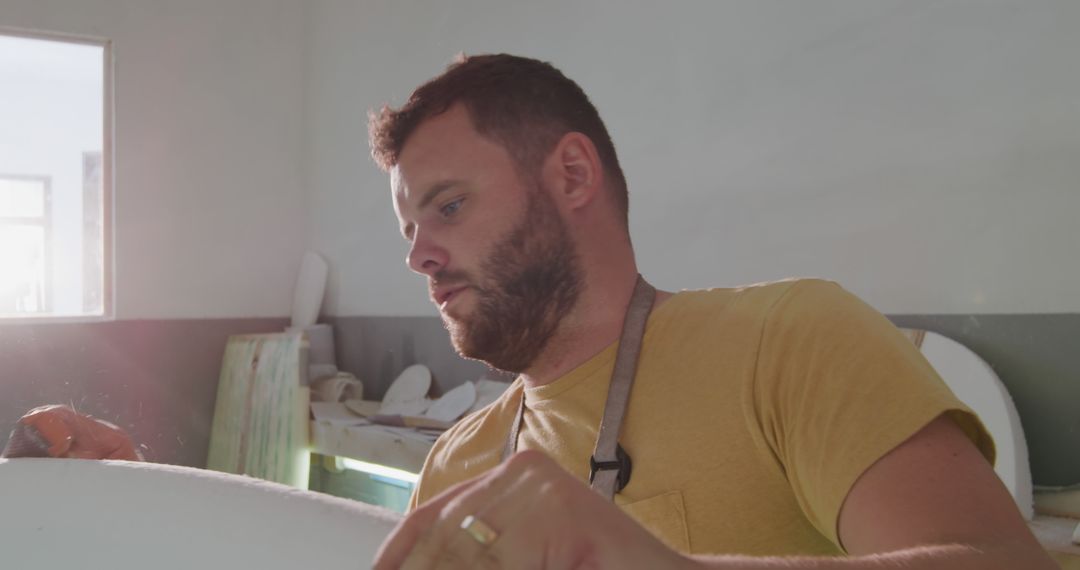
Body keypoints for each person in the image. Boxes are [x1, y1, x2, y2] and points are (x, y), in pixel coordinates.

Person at [7, 54, 1053, 569]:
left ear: (571, 175)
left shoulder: (789, 342)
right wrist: (154, 517)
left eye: (449, 206)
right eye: (409, 225)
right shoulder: (461, 463)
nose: (418, 252)